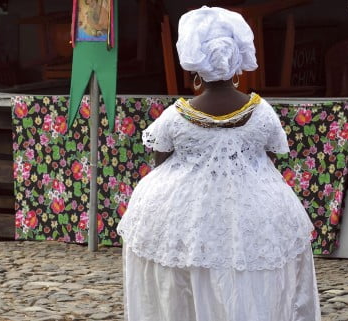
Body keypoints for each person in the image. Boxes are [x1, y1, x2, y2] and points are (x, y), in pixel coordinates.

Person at [117, 6, 321, 321]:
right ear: (237, 66)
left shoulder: (177, 113)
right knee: (249, 274)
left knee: (184, 278)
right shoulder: (261, 110)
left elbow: (160, 157)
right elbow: (268, 154)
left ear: (194, 72)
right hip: (254, 211)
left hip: (184, 216)